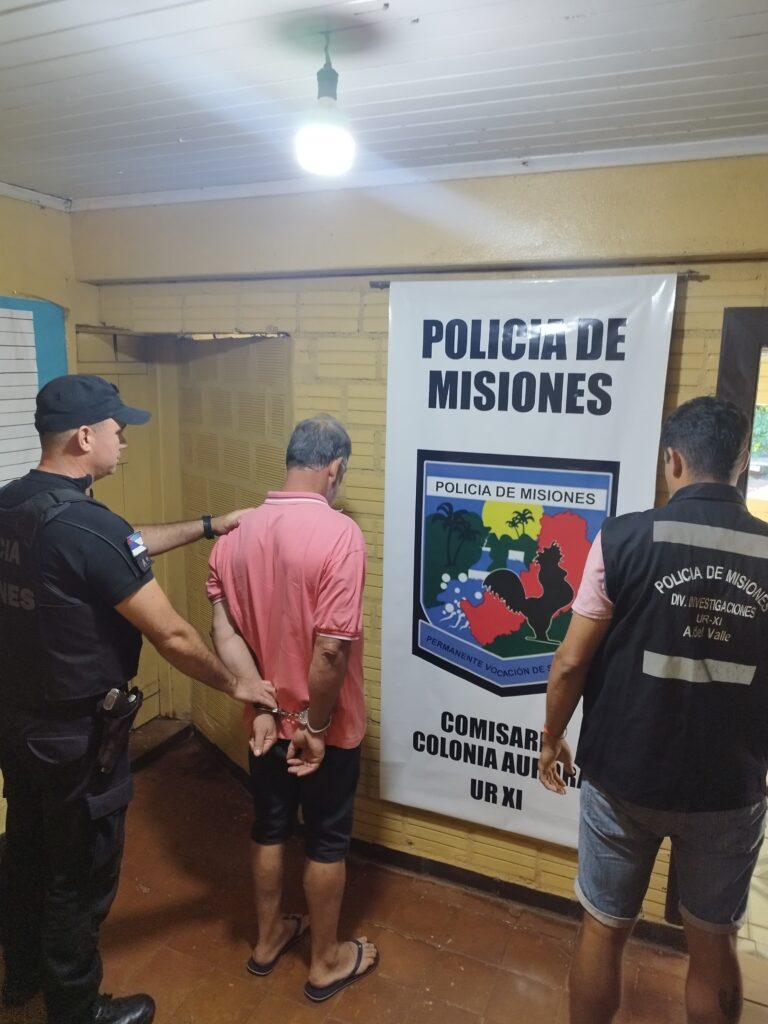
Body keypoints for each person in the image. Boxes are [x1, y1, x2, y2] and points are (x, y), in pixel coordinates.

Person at [0, 374, 276, 1024]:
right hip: (76, 737)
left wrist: (208, 526)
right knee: (77, 873)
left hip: (19, 721)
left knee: (27, 849)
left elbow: (115, 548)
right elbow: (173, 635)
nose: (124, 441)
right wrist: (238, 683)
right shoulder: (86, 525)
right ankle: (77, 1009)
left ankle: (21, 977)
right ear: (84, 436)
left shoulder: (14, 505)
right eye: (117, 430)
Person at [538, 396, 768, 1024]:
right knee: (713, 941)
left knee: (604, 928)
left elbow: (569, 663)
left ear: (673, 460)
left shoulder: (622, 538)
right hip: (729, 787)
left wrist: (552, 736)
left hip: (623, 779)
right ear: (741, 465)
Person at [207, 414, 378, 1003]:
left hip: (263, 725)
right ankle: (325, 962)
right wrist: (314, 726)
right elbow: (330, 651)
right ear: (335, 469)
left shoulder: (232, 535)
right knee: (326, 841)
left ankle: (266, 940)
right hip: (327, 729)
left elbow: (225, 634)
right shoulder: (340, 535)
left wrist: (261, 701)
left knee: (269, 827)